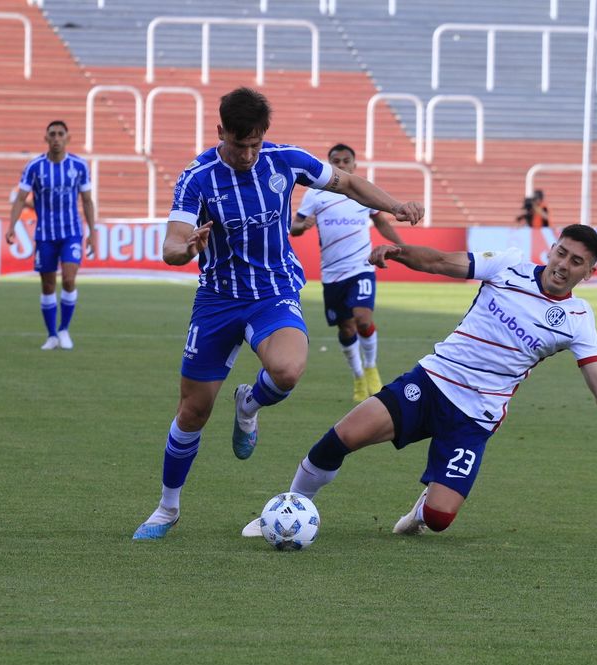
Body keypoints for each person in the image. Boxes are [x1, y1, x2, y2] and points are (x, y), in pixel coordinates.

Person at [241, 224, 597, 539]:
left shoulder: (578, 319)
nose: (564, 265)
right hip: (433, 381)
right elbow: (440, 261)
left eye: (577, 262)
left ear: (588, 273)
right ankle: (285, 510)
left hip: (475, 418)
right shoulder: (508, 266)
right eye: (561, 253)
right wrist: (398, 252)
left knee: (438, 520)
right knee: (340, 438)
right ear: (551, 249)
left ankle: (421, 509)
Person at [132, 87, 425, 540]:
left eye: (254, 143)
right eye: (238, 143)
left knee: (287, 370)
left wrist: (395, 205)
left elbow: (347, 183)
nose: (247, 153)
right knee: (193, 412)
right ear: (220, 132)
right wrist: (186, 248)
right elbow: (172, 243)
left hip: (274, 290)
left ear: (264, 135)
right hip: (218, 298)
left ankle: (250, 403)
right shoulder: (197, 177)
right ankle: (167, 508)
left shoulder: (286, 160)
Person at [291, 143, 404, 403]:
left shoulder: (362, 192)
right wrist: (301, 225)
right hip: (332, 273)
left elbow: (381, 222)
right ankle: (357, 376)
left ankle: (372, 367)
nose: (341, 165)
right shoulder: (315, 194)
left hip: (361, 266)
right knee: (346, 328)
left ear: (354, 165)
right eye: (336, 161)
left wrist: (402, 248)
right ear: (330, 164)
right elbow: (295, 226)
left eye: (346, 161)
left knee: (363, 319)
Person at [5, 120, 96, 351]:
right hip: (45, 234)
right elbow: (19, 198)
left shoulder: (79, 166)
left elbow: (87, 200)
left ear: (68, 138)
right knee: (47, 286)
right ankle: (52, 335)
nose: (56, 138)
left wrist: (92, 233)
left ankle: (64, 329)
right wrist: (11, 226)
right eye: (52, 134)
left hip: (71, 233)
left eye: (60, 134)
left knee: (68, 279)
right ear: (46, 138)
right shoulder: (34, 167)